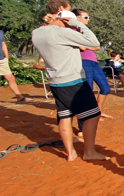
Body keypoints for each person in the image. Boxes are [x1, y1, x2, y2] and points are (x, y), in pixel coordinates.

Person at [30, 9, 106, 161]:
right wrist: (76, 24)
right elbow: (94, 42)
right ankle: (89, 152)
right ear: (66, 21)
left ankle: (71, 153)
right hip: (73, 80)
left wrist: (52, 21)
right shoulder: (62, 33)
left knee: (64, 116)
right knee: (93, 115)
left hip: (55, 81)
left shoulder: (37, 33)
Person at [71, 9, 112, 137]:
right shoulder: (72, 31)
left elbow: (98, 46)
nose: (88, 19)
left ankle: (97, 112)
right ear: (76, 18)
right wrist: (89, 45)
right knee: (87, 92)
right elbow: (82, 47)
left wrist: (88, 45)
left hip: (93, 62)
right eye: (86, 17)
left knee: (105, 88)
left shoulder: (85, 32)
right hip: (83, 62)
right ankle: (82, 127)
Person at [0, 27, 29, 102]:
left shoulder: (0, 32)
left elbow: (3, 44)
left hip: (1, 60)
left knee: (11, 78)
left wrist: (6, 57)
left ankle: (19, 97)